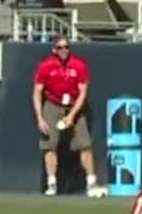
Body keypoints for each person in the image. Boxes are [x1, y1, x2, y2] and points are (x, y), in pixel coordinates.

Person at [32, 38, 106, 198]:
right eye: (60, 47)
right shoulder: (46, 66)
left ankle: (91, 183)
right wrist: (40, 118)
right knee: (49, 146)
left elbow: (83, 93)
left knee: (85, 145)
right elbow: (37, 92)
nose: (64, 50)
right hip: (53, 105)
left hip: (74, 106)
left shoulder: (79, 65)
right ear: (54, 50)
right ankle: (51, 184)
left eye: (66, 47)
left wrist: (72, 115)